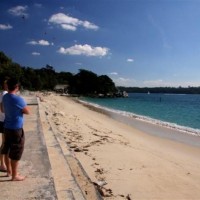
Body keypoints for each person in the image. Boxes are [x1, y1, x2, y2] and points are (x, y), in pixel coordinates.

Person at [1, 78, 30, 181]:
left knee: (7, 150)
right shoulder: (18, 99)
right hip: (16, 129)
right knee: (16, 153)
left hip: (7, 127)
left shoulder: (4, 97)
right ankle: (15, 176)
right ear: (17, 87)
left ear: (7, 86)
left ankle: (9, 172)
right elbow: (27, 111)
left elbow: (3, 110)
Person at [0, 80, 8, 172]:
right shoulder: (5, 94)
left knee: (4, 143)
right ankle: (3, 164)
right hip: (5, 121)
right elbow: (2, 109)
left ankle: (3, 163)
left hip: (2, 120)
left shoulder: (2, 93)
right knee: (5, 144)